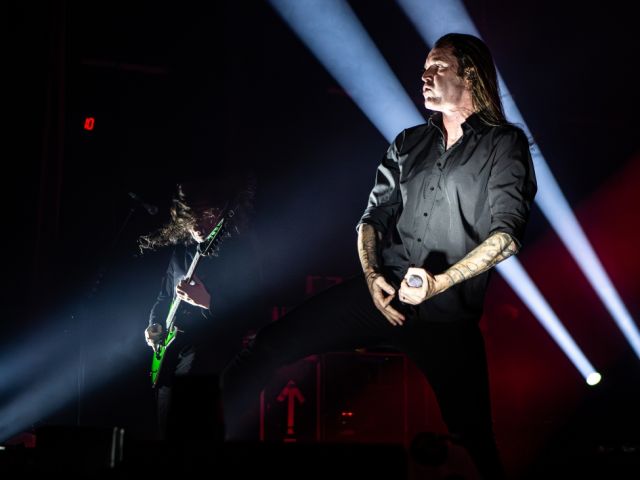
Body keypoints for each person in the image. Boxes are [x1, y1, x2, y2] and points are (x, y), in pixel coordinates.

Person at [221, 32, 537, 479]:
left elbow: (507, 235)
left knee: (475, 436)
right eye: (423, 69)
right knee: (266, 347)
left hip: (447, 316)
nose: (424, 76)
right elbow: (371, 219)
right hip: (382, 296)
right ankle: (194, 449)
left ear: (470, 74)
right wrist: (372, 278)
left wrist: (439, 282)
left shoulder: (504, 144)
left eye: (437, 67)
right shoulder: (408, 142)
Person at [140, 173, 262, 440]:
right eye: (192, 216)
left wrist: (209, 302)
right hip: (170, 356)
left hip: (210, 354)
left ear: (219, 215)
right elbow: (163, 296)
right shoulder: (180, 253)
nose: (198, 224)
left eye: (205, 215)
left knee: (194, 430)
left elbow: (252, 312)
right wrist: (154, 325)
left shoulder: (238, 253)